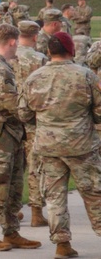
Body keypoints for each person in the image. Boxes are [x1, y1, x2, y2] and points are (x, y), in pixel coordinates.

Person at [18, 31, 101, 259]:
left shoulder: (34, 78)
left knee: (54, 197)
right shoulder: (86, 76)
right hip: (81, 145)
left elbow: (24, 113)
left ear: (48, 51)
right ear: (71, 50)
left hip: (48, 146)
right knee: (94, 193)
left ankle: (62, 245)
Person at [0, 24, 40, 252]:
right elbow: (9, 102)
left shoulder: (2, 65)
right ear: (12, 42)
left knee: (13, 186)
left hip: (11, 134)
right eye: (17, 44)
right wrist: (35, 111)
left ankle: (11, 232)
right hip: (0, 137)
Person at [14, 21, 49, 228]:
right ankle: (36, 212)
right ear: (35, 37)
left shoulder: (6, 57)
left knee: (15, 165)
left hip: (11, 118)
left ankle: (14, 209)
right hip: (33, 119)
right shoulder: (39, 59)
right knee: (35, 166)